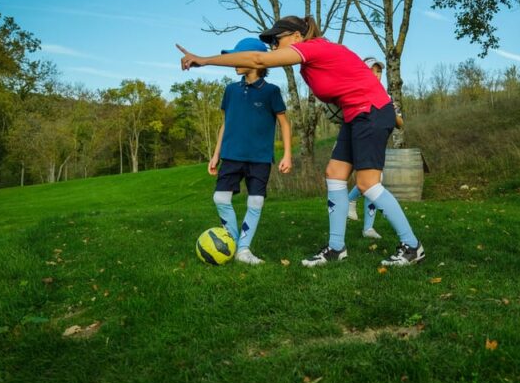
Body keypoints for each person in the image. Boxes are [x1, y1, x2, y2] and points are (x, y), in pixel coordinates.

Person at [177, 16, 423, 267]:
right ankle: (336, 248)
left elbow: (257, 59)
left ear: (296, 37)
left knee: (367, 183)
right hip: (356, 114)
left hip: (371, 111)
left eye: (276, 40)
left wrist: (204, 60)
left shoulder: (313, 48)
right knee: (335, 174)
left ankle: (412, 246)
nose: (273, 47)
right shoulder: (309, 63)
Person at [207, 38, 292, 265]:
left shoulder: (271, 91)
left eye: (237, 57)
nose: (233, 62)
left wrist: (287, 154)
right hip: (231, 155)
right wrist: (216, 154)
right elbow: (225, 123)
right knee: (220, 198)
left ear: (255, 60)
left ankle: (243, 250)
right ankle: (233, 242)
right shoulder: (231, 90)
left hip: (260, 158)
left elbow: (284, 123)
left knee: (256, 202)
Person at [346, 57, 404, 240]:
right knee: (374, 181)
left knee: (373, 181)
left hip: (378, 143)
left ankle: (367, 227)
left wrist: (391, 112)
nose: (376, 74)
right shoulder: (356, 91)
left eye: (379, 71)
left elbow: (401, 124)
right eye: (372, 70)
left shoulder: (387, 97)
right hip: (361, 139)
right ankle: (351, 200)